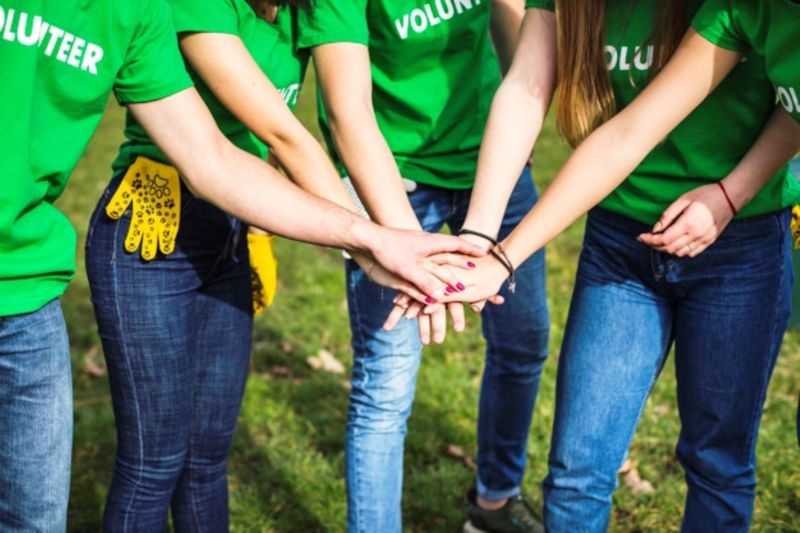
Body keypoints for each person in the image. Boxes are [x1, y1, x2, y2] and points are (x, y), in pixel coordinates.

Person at [0, 0, 482, 529]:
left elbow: (350, 120)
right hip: (155, 230)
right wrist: (374, 246)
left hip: (231, 230)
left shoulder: (313, 8)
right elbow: (283, 138)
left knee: (207, 460)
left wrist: (388, 250)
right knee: (153, 462)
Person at [396, 0, 800, 530]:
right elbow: (598, 123)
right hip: (621, 243)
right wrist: (483, 242)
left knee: (716, 462)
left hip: (739, 248)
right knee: (576, 471)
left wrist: (731, 195)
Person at [296, 1, 551, 531]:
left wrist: (517, 134)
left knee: (523, 339)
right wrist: (404, 244)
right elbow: (349, 115)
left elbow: (517, 26)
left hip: (489, 162)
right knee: (385, 384)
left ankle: (495, 503)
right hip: (393, 177)